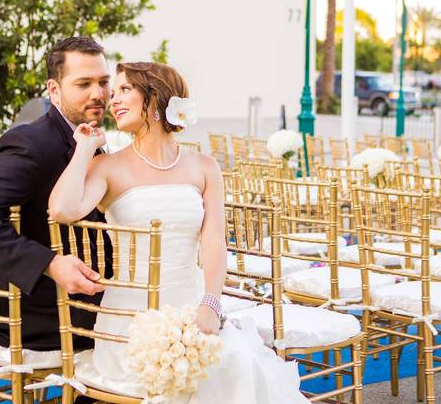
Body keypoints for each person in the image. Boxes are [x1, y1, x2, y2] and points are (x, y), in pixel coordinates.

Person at [49, 61, 308, 403]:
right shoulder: (107, 166)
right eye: (115, 92)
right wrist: (84, 149)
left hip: (194, 304)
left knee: (236, 364)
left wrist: (210, 306)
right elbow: (62, 209)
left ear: (155, 98)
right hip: (131, 320)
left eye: (125, 90)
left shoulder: (204, 167)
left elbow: (214, 242)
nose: (114, 100)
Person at [0, 36, 112, 358]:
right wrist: (50, 264)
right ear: (54, 90)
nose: (98, 94)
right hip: (38, 314)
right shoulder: (30, 143)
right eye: (83, 84)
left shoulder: (92, 139)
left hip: (87, 301)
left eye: (104, 82)